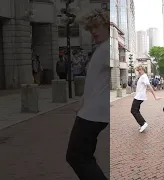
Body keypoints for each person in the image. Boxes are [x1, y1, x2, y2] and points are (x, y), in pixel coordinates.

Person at [66, 9, 109, 180]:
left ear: (107, 25)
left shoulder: (108, 48)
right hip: (90, 111)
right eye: (91, 29)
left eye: (97, 27)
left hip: (94, 114)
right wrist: (83, 102)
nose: (94, 32)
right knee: (80, 156)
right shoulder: (102, 48)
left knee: (77, 157)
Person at [131, 65, 161, 132]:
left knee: (133, 110)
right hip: (139, 96)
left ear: (143, 70)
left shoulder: (144, 77)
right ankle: (142, 124)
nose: (139, 71)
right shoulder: (141, 77)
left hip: (139, 97)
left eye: (140, 70)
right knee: (136, 110)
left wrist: (155, 96)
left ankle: (143, 123)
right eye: (138, 70)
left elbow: (149, 86)